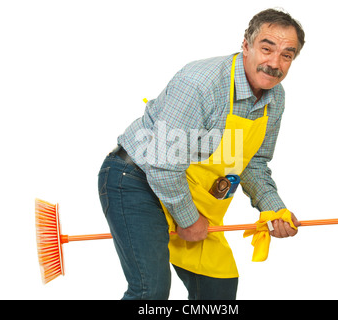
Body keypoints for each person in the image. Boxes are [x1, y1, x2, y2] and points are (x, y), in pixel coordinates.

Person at [98, 8, 305, 300]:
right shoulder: (201, 84)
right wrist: (188, 219)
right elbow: (162, 164)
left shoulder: (275, 98)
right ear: (246, 45)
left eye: (287, 54)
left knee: (217, 291)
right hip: (136, 180)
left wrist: (274, 209)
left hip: (186, 189)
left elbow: (253, 162)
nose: (274, 63)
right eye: (267, 48)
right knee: (150, 292)